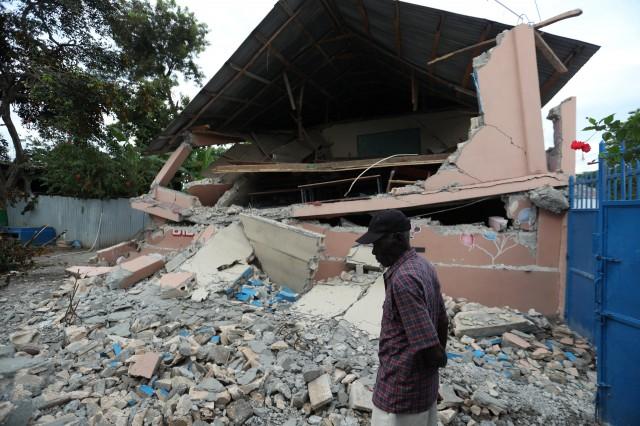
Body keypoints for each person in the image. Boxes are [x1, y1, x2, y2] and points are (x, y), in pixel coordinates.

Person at [356, 209, 448, 426]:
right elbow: (442, 321)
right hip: (421, 390)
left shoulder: (404, 279)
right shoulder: (423, 265)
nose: (374, 252)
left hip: (401, 395)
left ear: (397, 238)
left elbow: (428, 346)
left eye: (377, 243)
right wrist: (432, 373)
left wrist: (438, 361)